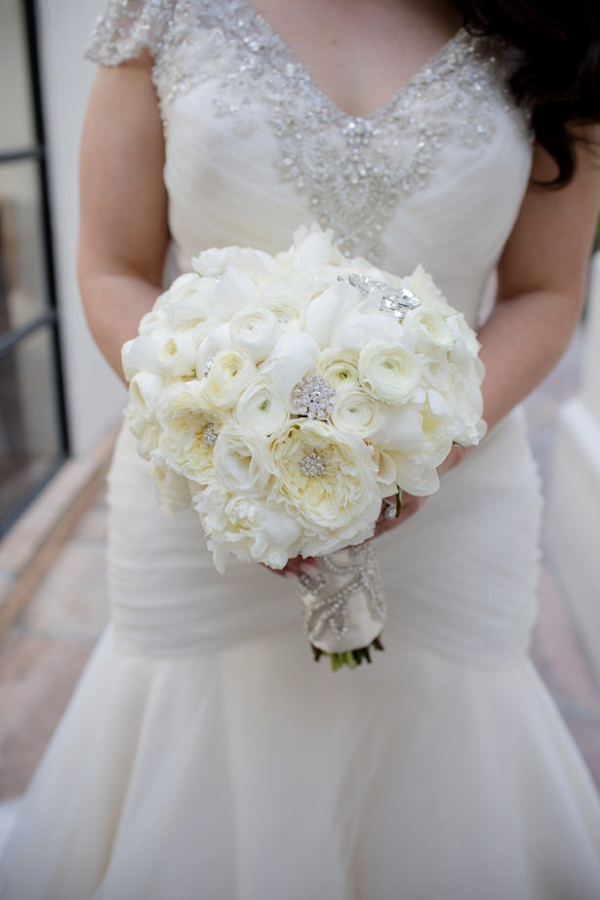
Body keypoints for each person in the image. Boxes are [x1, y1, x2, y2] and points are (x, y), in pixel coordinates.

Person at [2, 0, 600, 896]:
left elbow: (547, 294)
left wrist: (418, 456)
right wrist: (231, 428)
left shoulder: (558, 31)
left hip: (453, 515)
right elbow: (110, 267)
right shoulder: (159, 9)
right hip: (206, 500)